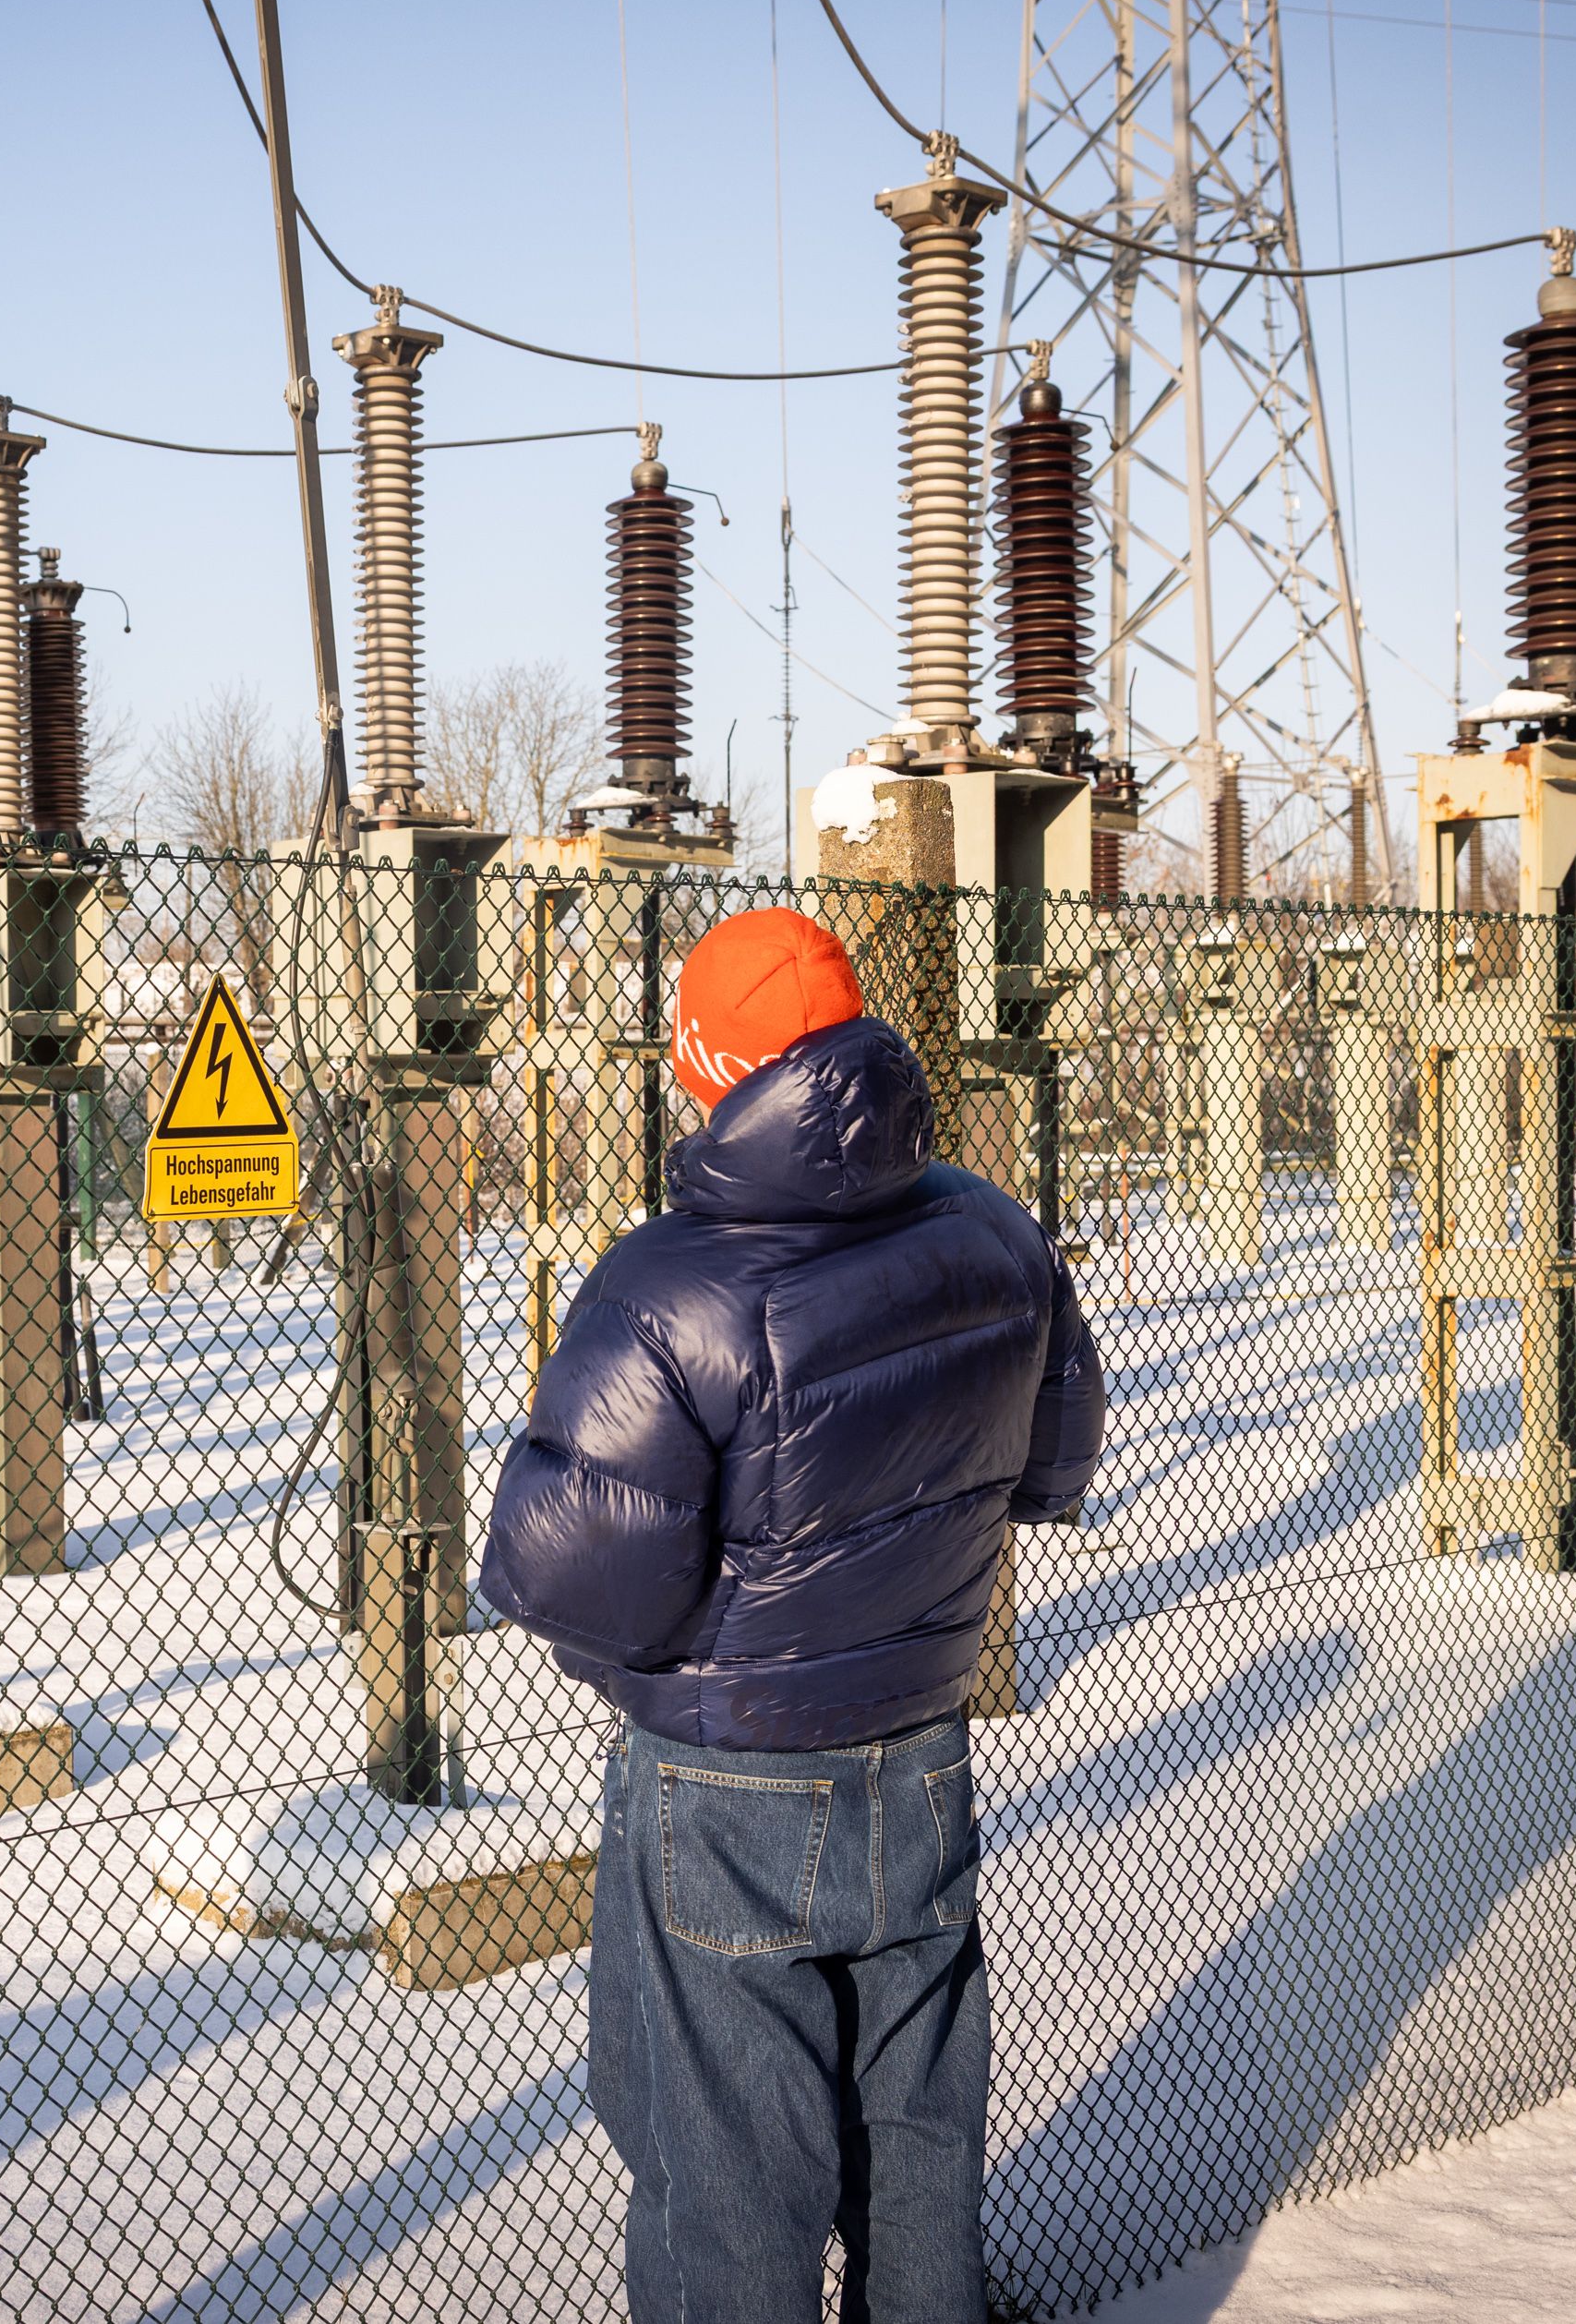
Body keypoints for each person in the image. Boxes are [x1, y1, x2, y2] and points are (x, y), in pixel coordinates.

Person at [481, 907, 1102, 2324]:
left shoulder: (669, 1286)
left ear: (713, 1062)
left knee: (726, 2172)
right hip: (918, 1748)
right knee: (918, 2136)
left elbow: (574, 1571)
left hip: (729, 1774)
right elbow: (1050, 1465)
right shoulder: (993, 1231)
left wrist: (654, 1653)